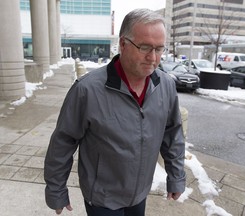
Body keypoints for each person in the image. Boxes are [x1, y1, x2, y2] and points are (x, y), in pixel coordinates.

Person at [44, 8, 186, 216]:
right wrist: (56, 190)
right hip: (102, 199)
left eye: (159, 49)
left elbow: (172, 133)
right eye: (145, 47)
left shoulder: (165, 85)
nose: (153, 58)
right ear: (123, 44)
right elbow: (63, 142)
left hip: (139, 193)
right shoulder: (87, 90)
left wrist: (176, 176)